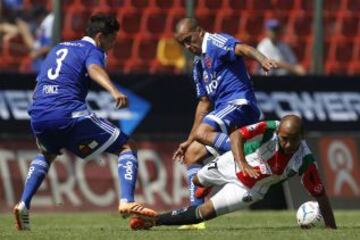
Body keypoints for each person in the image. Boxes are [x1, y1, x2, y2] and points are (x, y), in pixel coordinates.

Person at [13, 13, 157, 231]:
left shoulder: (57, 48)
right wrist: (114, 91)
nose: (112, 45)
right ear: (100, 37)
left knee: (47, 154)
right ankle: (127, 200)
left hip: (39, 113)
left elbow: (39, 83)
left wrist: (39, 115)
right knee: (127, 146)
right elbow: (94, 69)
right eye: (111, 40)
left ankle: (23, 204)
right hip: (68, 113)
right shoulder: (92, 50)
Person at [130, 115, 337, 230]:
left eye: (294, 139)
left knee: (203, 214)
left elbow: (320, 195)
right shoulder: (269, 128)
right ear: (278, 133)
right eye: (284, 138)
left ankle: (154, 221)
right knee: (196, 179)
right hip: (233, 163)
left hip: (250, 189)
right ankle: (205, 184)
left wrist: (331, 229)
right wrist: (242, 162)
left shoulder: (305, 160)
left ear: (302, 136)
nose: (288, 144)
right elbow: (237, 135)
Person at [171, 17, 277, 226]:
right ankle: (195, 217)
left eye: (188, 39)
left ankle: (247, 150)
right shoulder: (198, 64)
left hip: (241, 104)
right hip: (223, 112)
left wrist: (262, 59)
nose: (187, 46)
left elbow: (243, 48)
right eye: (182, 43)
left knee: (203, 133)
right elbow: (203, 104)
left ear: (199, 31)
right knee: (192, 154)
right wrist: (188, 140)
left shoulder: (215, 42)